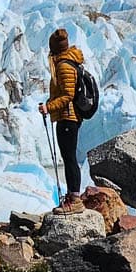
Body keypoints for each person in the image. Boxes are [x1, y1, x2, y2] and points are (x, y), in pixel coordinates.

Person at [38, 28, 85, 214]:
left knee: (70, 158)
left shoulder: (64, 66)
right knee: (68, 157)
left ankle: (75, 200)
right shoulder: (68, 62)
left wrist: (49, 107)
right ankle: (72, 196)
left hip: (68, 117)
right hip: (67, 117)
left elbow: (67, 95)